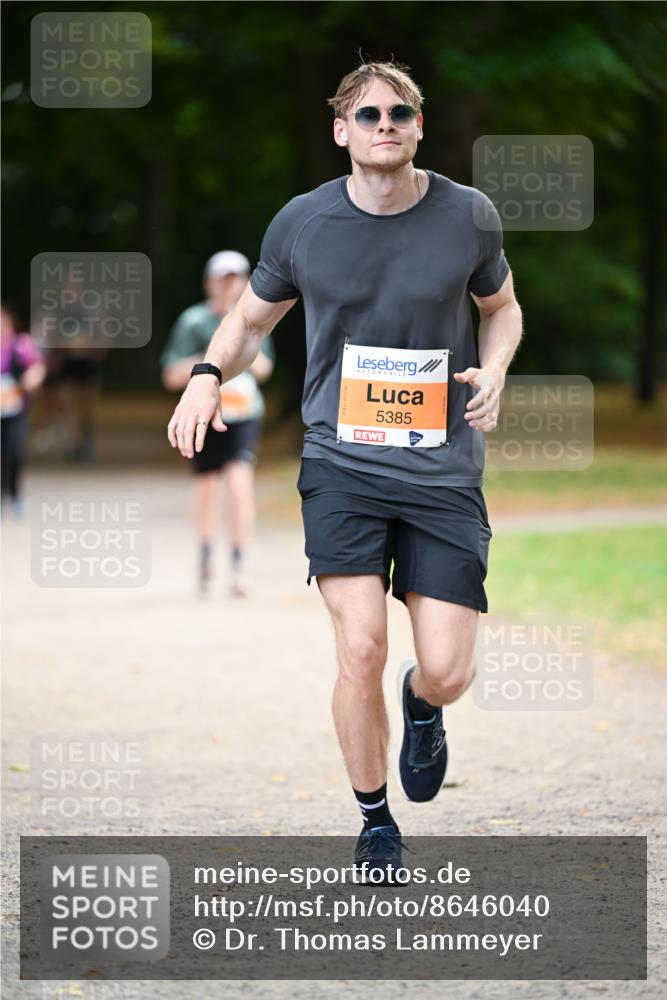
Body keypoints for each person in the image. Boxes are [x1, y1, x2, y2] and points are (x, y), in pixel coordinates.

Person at [167, 61, 523, 880]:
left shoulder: (468, 217)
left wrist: (496, 368)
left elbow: (499, 310)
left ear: (419, 126)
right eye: (367, 114)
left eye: (400, 112)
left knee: (446, 668)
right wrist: (205, 378)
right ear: (342, 130)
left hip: (440, 467)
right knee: (358, 644)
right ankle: (373, 822)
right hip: (340, 461)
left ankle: (423, 708)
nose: (384, 123)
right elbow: (247, 321)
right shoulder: (302, 224)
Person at [161, 251, 275, 596]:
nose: (230, 286)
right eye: (223, 279)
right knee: (208, 488)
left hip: (244, 413)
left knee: (240, 485)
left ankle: (240, 564)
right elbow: (170, 374)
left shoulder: (256, 317)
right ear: (209, 283)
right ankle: (206, 555)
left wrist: (242, 343)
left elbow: (266, 368)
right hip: (205, 416)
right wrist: (212, 361)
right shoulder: (192, 321)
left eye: (237, 279)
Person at [1, 303, 46, 516]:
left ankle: (15, 494)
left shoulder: (22, 344)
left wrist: (31, 379)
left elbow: (37, 367)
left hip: (15, 409)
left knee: (14, 452)